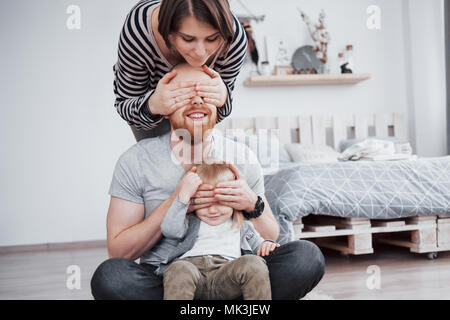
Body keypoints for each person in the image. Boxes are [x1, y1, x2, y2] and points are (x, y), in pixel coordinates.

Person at [91, 64, 325, 300]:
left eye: (206, 94)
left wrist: (251, 203)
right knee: (111, 276)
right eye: (184, 95)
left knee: (306, 257)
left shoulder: (241, 157)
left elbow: (270, 236)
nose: (197, 101)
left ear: (219, 104)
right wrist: (178, 201)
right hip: (168, 277)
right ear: (164, 107)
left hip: (234, 274)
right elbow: (119, 252)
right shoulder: (135, 161)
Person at [113, 0, 248, 141]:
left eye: (212, 38)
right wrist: (153, 105)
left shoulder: (233, 40)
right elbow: (126, 104)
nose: (200, 53)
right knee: (155, 158)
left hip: (199, 117)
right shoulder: (138, 33)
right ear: (167, 31)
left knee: (199, 155)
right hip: (147, 112)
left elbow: (220, 109)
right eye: (188, 39)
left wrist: (224, 96)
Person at [162, 160, 279, 300]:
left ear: (233, 200)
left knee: (254, 263)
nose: (212, 210)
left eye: (220, 202)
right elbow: (169, 230)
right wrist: (183, 197)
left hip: (227, 276)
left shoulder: (243, 225)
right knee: (178, 268)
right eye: (205, 203)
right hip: (192, 274)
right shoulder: (191, 221)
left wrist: (266, 244)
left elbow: (259, 247)